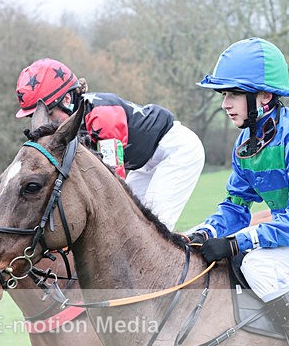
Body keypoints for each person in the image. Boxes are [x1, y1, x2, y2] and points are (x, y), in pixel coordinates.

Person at [187, 36, 289, 346]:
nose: (225, 104)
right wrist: (205, 231)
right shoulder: (246, 145)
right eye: (223, 95)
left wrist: (237, 241)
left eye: (233, 94)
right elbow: (235, 206)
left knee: (257, 265)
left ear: (264, 97)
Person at [15, 57, 205, 231]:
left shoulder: (101, 115)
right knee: (131, 226)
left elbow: (114, 181)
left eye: (49, 114)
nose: (46, 123)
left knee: (154, 228)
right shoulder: (71, 122)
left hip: (176, 151)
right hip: (144, 162)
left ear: (66, 100)